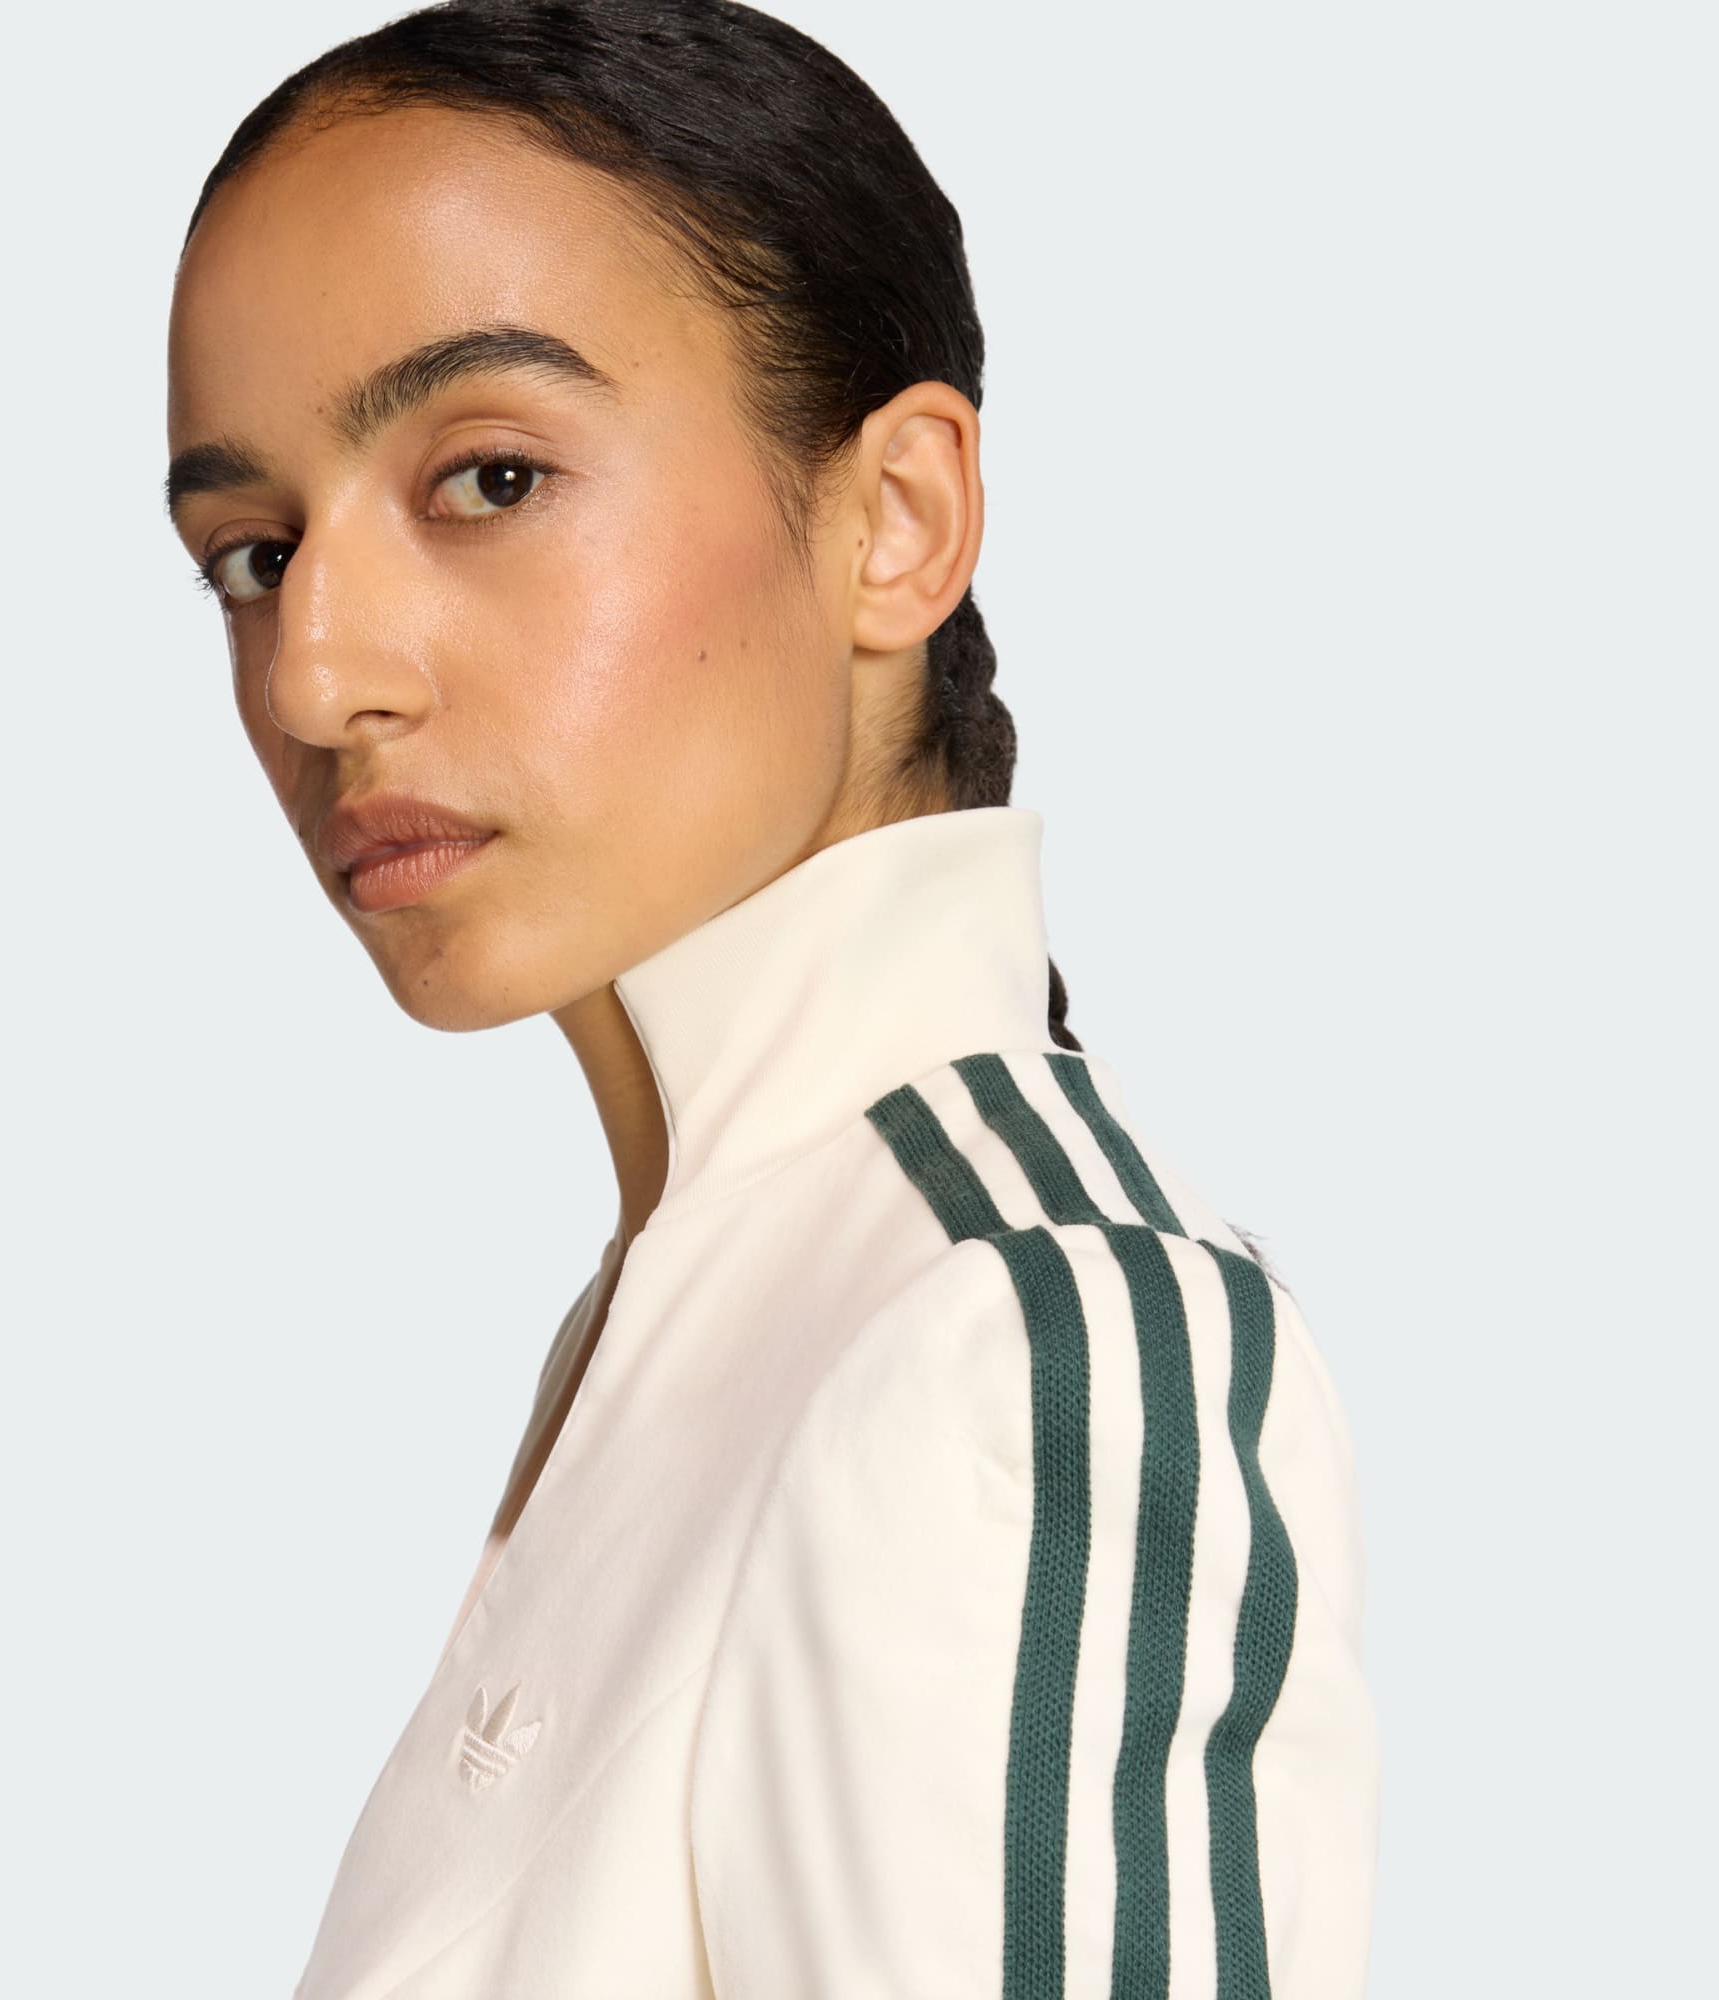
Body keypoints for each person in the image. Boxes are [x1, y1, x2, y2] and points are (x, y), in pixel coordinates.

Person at [162, 2, 1380, 1993]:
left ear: (896, 520)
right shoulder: (691, 1320)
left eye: (487, 478)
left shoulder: (1018, 1339)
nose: (314, 672)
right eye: (252, 553)